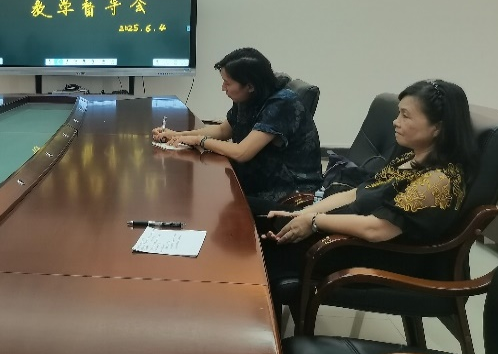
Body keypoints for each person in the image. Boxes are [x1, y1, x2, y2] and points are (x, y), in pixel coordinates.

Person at [260, 79, 476, 282]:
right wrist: (302, 214)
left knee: (262, 250)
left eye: (405, 116)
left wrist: (314, 222)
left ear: (437, 128)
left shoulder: (438, 180)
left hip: (373, 256)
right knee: (265, 219)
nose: (396, 122)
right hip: (346, 236)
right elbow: (355, 193)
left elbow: (376, 229)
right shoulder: (409, 158)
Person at [154, 47, 322, 212]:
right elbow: (223, 131)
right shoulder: (251, 96)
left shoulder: (282, 103)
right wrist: (178, 135)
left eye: (227, 83)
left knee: (207, 201)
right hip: (260, 179)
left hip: (287, 193)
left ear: (250, 86)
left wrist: (199, 140)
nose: (223, 88)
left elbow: (242, 153)